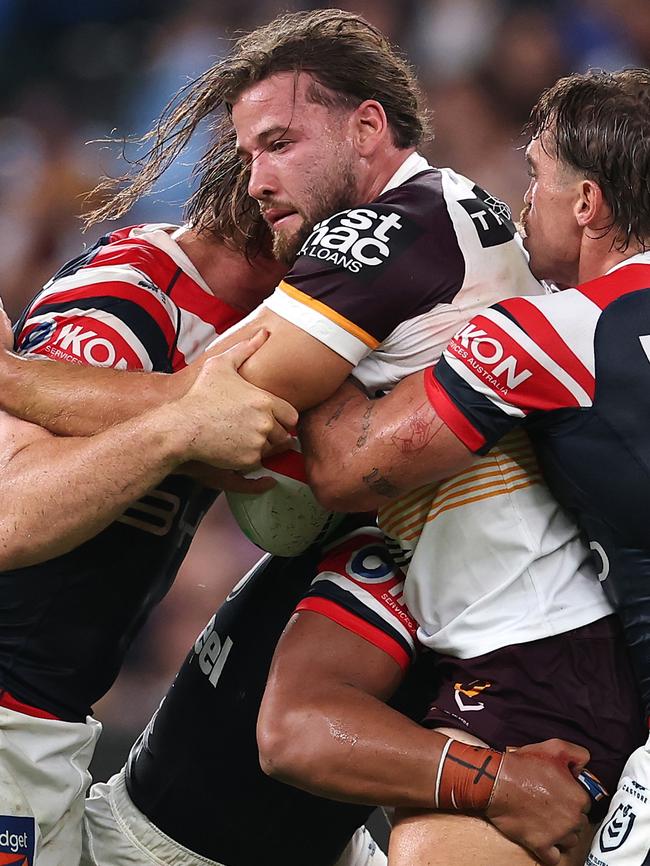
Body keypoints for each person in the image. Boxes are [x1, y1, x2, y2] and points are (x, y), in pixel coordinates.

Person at [42, 10, 636, 866]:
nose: (256, 180)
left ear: (367, 128)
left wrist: (17, 379)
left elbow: (208, 412)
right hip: (495, 604)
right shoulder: (453, 214)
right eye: (247, 154)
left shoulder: (389, 230)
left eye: (280, 142)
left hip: (536, 647)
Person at [298, 68, 650, 866]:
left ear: (588, 204)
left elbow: (348, 471)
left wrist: (317, 330)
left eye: (537, 178)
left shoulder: (555, 333)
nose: (525, 206)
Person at [0, 216, 298, 866]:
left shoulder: (268, 317)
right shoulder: (128, 294)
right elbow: (9, 517)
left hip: (44, 719)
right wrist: (178, 430)